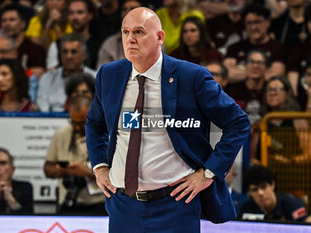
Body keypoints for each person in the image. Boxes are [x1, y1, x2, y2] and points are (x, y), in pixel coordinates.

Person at [86, 7, 250, 232]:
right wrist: (100, 166)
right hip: (123, 204)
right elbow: (95, 124)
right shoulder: (109, 74)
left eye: (139, 32)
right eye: (125, 32)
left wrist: (209, 172)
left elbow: (238, 122)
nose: (130, 39)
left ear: (160, 37)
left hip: (174, 205)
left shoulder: (191, 77)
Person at [44, 95, 106, 215]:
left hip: (99, 204)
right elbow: (48, 168)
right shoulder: (62, 134)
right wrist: (63, 170)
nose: (77, 127)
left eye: (82, 123)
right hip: (69, 202)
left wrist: (89, 173)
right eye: (74, 122)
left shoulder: (106, 134)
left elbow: (118, 176)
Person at [223, 4, 285, 83]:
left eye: (257, 22)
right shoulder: (235, 47)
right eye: (249, 23)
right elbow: (227, 74)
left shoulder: (278, 48)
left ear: (268, 23)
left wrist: (242, 71)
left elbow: (275, 74)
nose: (253, 27)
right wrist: (260, 72)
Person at [37, 33, 97, 112]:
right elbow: (42, 110)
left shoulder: (96, 78)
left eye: (74, 52)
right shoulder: (47, 78)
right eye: (65, 52)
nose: (69, 56)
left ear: (84, 55)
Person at [239, 165, 309, 221]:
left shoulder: (293, 205)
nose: (260, 193)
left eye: (263, 187)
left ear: (272, 185)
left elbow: (309, 224)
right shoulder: (247, 209)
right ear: (250, 192)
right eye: (254, 190)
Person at [46, 0, 101, 70]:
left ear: (90, 15)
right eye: (71, 13)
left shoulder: (99, 45)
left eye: (80, 12)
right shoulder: (56, 45)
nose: (75, 17)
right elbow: (52, 76)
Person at [0, 148, 33, 214]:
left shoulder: (24, 188)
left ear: (12, 170)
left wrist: (11, 200)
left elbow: (29, 217)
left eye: (2, 163)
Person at [96, 0, 145, 68]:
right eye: (124, 9)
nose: (127, 13)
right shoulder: (109, 44)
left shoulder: (154, 42)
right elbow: (102, 75)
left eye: (133, 9)